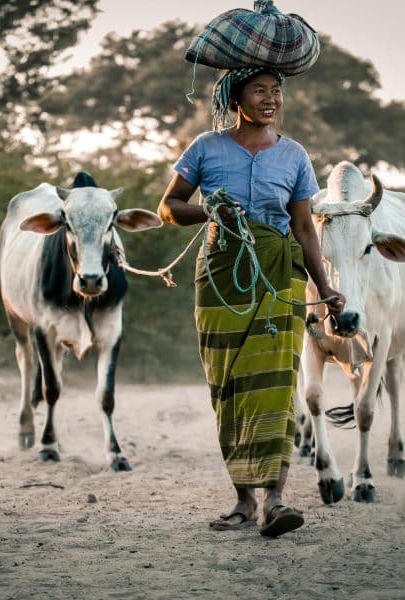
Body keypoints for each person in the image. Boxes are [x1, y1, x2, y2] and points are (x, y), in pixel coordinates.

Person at [157, 66, 345, 537]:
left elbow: (303, 228)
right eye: (259, 90)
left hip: (280, 277)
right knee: (230, 389)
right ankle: (242, 501)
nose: (270, 98)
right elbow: (168, 208)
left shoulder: (295, 155)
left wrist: (325, 289)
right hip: (222, 278)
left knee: (277, 385)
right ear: (234, 97)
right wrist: (209, 208)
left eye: (276, 91)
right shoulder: (205, 148)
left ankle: (275, 501)